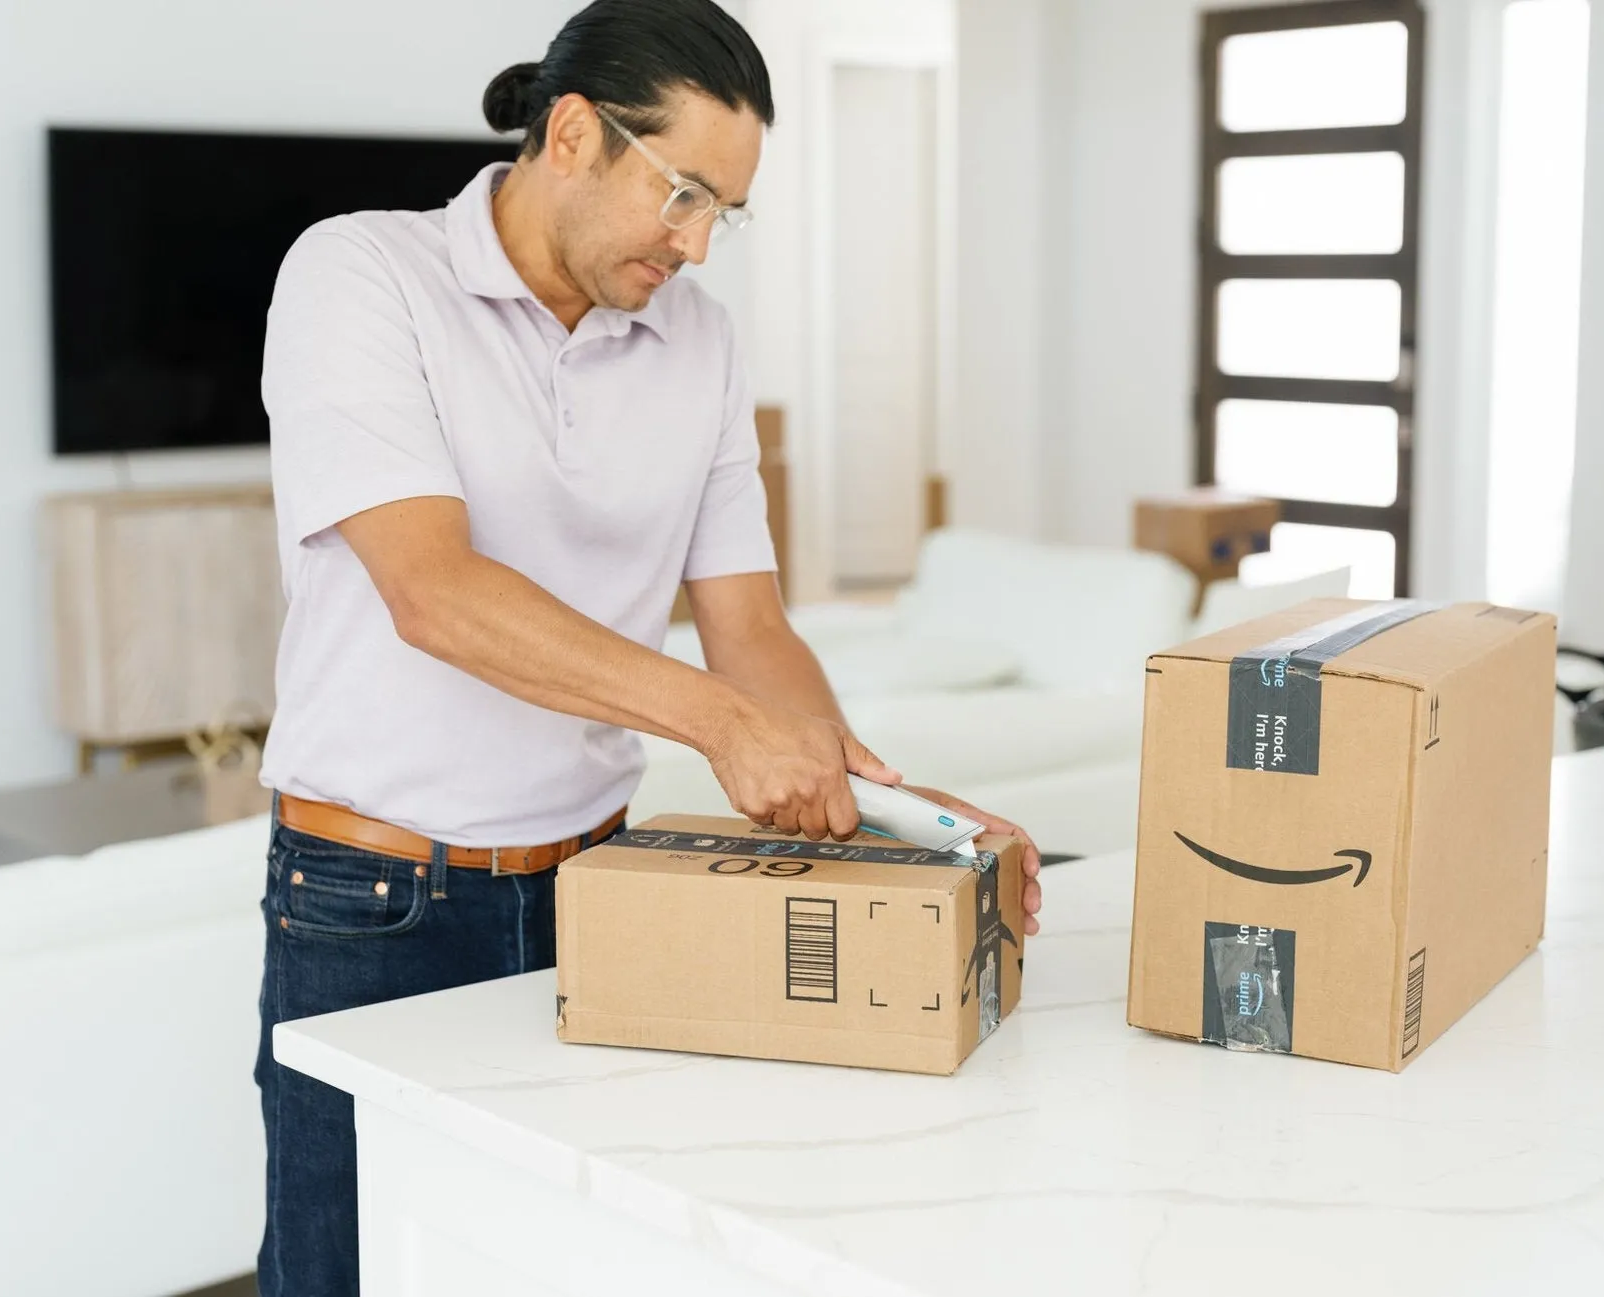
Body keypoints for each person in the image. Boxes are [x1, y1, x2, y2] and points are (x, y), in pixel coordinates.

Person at [252, 1, 1042, 1292]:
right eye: (683, 195)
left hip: (603, 890)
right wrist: (720, 725)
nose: (698, 244)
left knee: (568, 1261)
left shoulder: (701, 341)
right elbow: (434, 593)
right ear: (572, 134)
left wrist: (909, 820)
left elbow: (750, 628)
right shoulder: (360, 274)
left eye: (725, 212)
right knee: (354, 1269)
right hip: (375, 905)